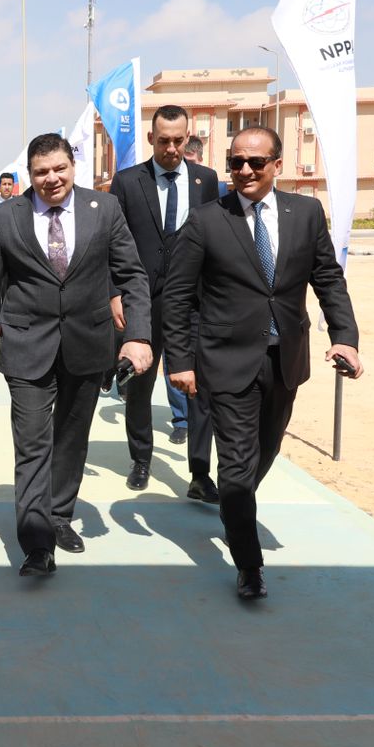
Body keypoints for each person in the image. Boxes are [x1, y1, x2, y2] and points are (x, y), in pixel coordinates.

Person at [164, 125, 362, 602]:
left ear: (277, 165)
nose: (245, 171)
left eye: (255, 162)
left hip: (285, 359)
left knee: (265, 451)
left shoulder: (306, 213)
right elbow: (177, 296)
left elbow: (327, 279)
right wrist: (181, 361)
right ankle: (249, 566)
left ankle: (236, 508)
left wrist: (345, 338)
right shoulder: (207, 220)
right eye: (236, 162)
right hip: (225, 360)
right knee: (235, 465)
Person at [0, 134, 152, 576]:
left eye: (58, 169)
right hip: (26, 345)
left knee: (71, 439)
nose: (51, 178)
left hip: (88, 344)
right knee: (32, 443)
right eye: (41, 172)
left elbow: (132, 275)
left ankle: (60, 515)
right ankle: (37, 544)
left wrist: (138, 335)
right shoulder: (5, 216)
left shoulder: (104, 209)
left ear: (73, 167)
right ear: (29, 175)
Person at [110, 105, 222, 498]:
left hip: (194, 303)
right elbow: (111, 244)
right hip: (143, 302)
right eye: (163, 141)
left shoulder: (206, 181)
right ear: (151, 139)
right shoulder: (127, 182)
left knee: (199, 388)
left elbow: (217, 237)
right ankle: (141, 459)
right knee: (140, 385)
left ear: (187, 138)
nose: (171, 149)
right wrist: (114, 293)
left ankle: (200, 474)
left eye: (178, 141)